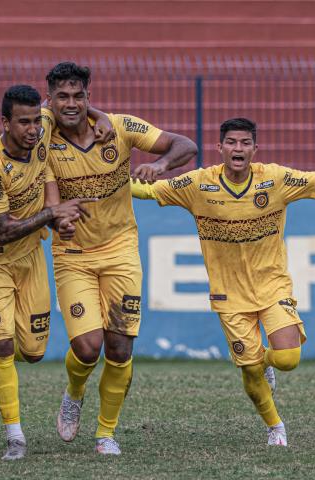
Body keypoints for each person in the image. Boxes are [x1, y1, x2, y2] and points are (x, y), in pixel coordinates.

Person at [132, 117, 315, 447]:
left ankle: (263, 361)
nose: (238, 148)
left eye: (245, 143)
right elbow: (145, 192)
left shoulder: (275, 179)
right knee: (249, 373)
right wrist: (95, 178)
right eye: (232, 143)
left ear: (255, 149)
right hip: (228, 294)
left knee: (288, 359)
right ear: (219, 148)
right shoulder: (198, 184)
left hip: (272, 286)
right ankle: (275, 426)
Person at [44, 62, 198, 455]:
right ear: (50, 100)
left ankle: (105, 433)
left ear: (89, 97)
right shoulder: (42, 134)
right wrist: (57, 222)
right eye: (62, 96)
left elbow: (186, 145)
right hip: (73, 253)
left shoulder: (122, 127)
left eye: (79, 96)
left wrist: (159, 164)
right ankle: (74, 392)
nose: (71, 103)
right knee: (87, 347)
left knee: (120, 348)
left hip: (120, 250)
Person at [0, 84, 114, 460]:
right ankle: (15, 436)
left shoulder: (42, 130)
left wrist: (102, 116)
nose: (33, 129)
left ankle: (0, 360)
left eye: (35, 121)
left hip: (29, 258)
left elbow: (72, 109)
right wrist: (53, 214)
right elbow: (1, 229)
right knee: (3, 343)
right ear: (5, 123)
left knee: (32, 352)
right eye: (23, 123)